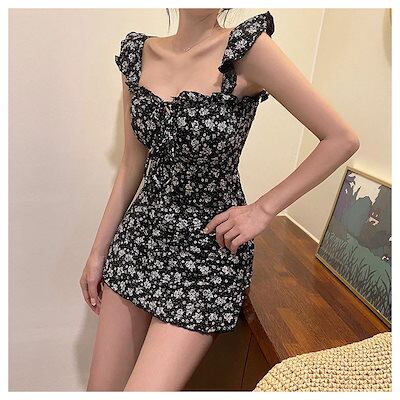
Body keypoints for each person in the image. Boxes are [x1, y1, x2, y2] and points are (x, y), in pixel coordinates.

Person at [80, 8, 360, 391]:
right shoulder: (137, 54)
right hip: (138, 240)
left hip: (207, 251)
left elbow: (341, 139)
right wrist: (98, 253)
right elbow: (132, 164)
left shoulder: (247, 50)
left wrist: (263, 209)